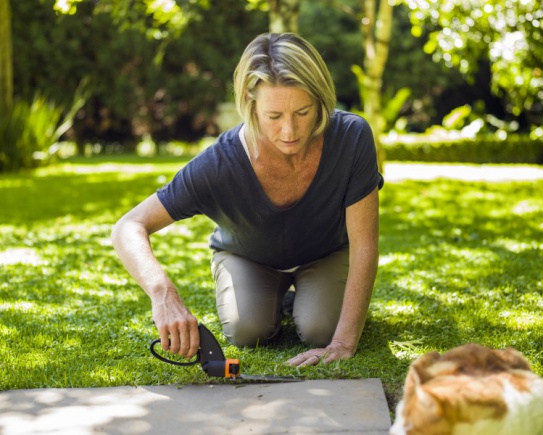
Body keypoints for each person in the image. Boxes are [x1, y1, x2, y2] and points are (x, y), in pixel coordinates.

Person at [111, 33, 384, 368]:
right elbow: (129, 226)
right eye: (273, 116)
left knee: (321, 329)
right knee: (246, 330)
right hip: (249, 258)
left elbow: (365, 244)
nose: (289, 131)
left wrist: (343, 342)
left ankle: (305, 300)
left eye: (303, 111)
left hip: (325, 253)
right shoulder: (220, 164)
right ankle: (279, 298)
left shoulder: (351, 138)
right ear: (250, 105)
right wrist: (163, 293)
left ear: (321, 100)